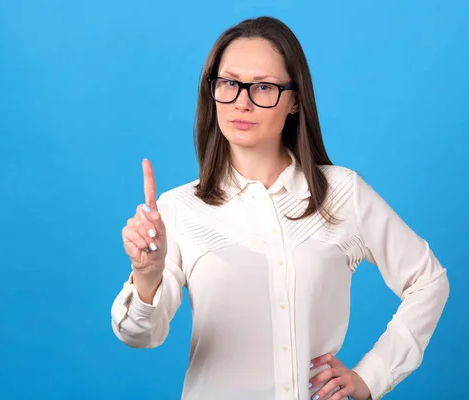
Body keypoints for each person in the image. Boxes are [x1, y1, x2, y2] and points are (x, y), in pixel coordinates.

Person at [111, 16, 450, 400]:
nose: (242, 101)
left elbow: (428, 280)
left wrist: (371, 376)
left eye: (263, 87)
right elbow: (139, 335)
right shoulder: (180, 209)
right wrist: (147, 275)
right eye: (229, 83)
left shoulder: (341, 193)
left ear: (294, 100)